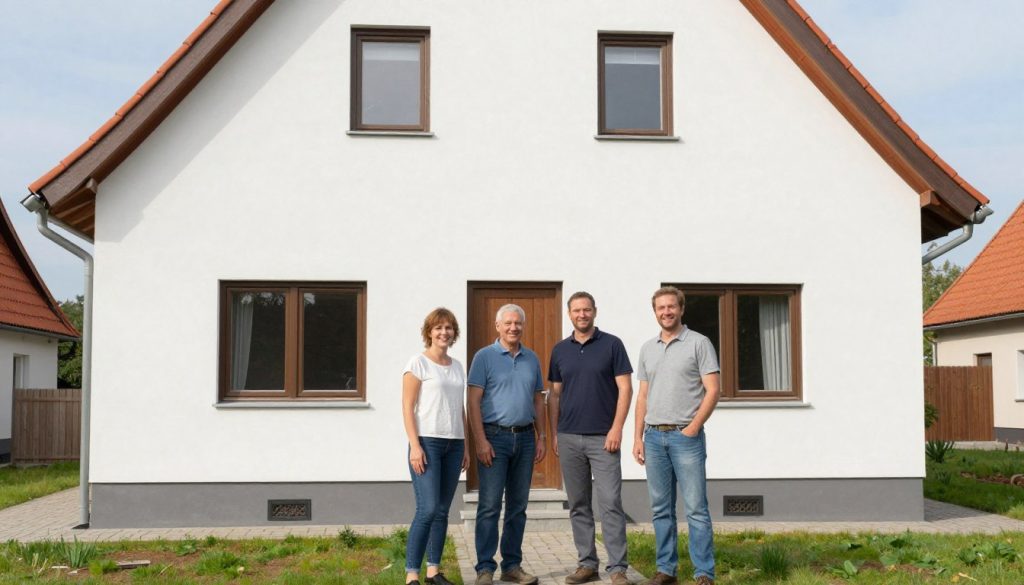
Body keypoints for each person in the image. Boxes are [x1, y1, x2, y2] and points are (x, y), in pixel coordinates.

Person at [633, 286, 720, 585]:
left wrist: (693, 427)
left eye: (671, 307)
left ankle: (704, 573)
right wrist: (637, 437)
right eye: (661, 308)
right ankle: (666, 569)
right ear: (655, 311)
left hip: (687, 438)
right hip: (654, 438)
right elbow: (642, 396)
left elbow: (713, 390)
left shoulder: (699, 343)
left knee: (696, 508)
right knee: (660, 509)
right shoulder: (648, 348)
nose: (666, 312)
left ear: (681, 309)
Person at [548, 291, 633, 585]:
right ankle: (587, 564)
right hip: (569, 436)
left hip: (603, 438)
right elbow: (554, 396)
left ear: (594, 311)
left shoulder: (612, 345)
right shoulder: (560, 350)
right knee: (579, 504)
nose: (582, 314)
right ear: (569, 314)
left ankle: (618, 568)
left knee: (610, 502)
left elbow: (625, 389)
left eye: (586, 309)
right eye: (576, 310)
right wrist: (556, 432)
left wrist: (617, 428)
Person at [467, 303, 548, 585]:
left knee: (518, 506)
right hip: (494, 438)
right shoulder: (484, 357)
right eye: (508, 323)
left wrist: (542, 437)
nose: (514, 328)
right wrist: (480, 441)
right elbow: (473, 401)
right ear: (498, 326)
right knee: (489, 506)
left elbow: (539, 399)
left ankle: (511, 566)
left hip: (525, 439)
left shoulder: (532, 359)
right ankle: (484, 568)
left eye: (518, 323)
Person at [403, 308, 470, 585]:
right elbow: (407, 407)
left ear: (454, 333)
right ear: (429, 332)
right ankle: (411, 574)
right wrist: (415, 446)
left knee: (443, 510)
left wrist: (465, 445)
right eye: (438, 328)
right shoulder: (418, 363)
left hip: (454, 444)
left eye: (449, 328)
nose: (444, 332)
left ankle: (433, 571)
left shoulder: (456, 366)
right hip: (427, 443)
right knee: (427, 509)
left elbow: (460, 407)